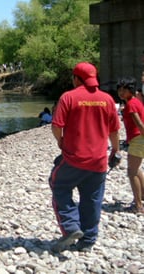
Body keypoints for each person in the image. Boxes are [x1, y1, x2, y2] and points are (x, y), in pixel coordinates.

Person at [49, 62, 120, 253]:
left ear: (76, 78)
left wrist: (61, 141)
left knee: (58, 185)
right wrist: (115, 151)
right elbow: (114, 131)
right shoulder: (107, 99)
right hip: (98, 162)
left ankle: (71, 227)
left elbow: (56, 126)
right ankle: (88, 240)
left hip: (73, 159)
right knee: (92, 199)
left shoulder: (69, 97)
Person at [117, 77, 144, 214]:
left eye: (124, 90)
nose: (121, 92)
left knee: (131, 171)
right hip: (138, 139)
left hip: (138, 139)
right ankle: (142, 195)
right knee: (136, 168)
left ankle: (138, 206)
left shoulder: (132, 104)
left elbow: (139, 123)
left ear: (131, 90)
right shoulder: (134, 102)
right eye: (119, 89)